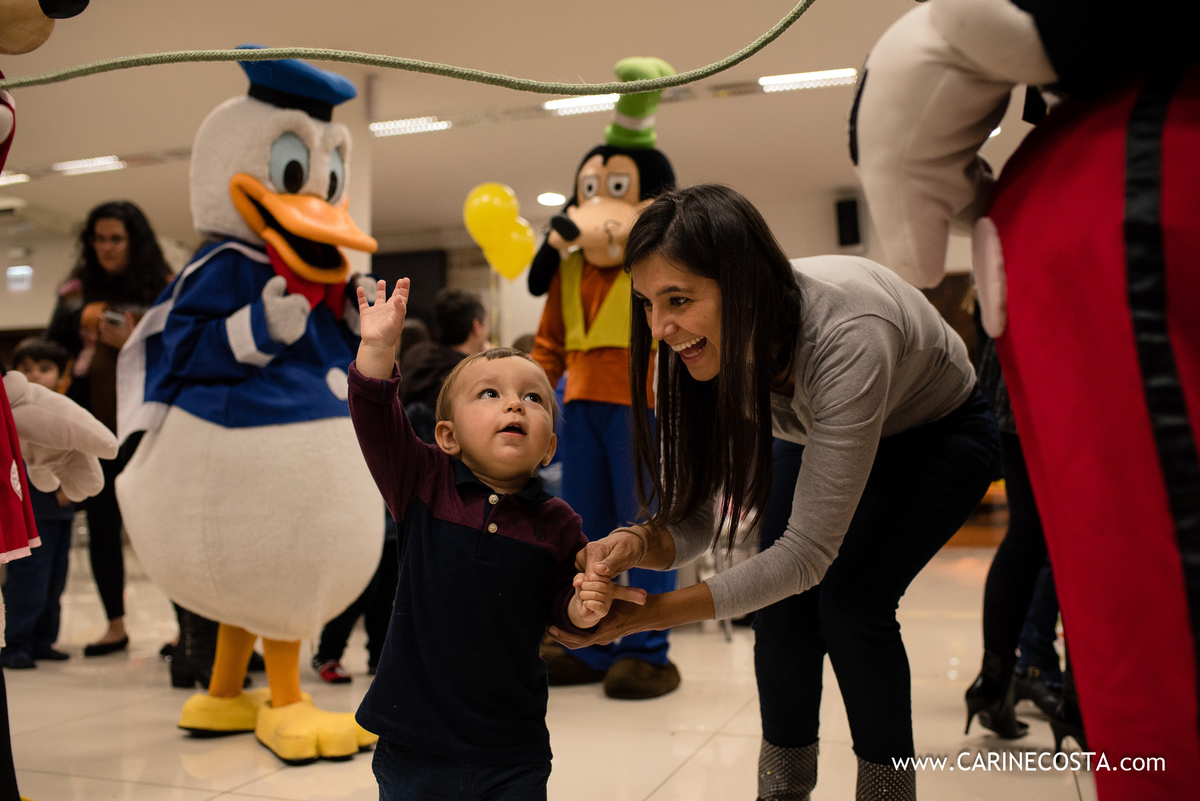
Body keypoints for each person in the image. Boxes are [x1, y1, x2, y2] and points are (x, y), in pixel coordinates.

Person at [549, 185, 1001, 800]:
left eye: (678, 299)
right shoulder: (694, 350)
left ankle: (886, 794)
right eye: (648, 304)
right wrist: (634, 543)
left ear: (742, 284)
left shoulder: (848, 332)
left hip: (937, 431)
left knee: (851, 605)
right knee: (783, 613)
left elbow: (807, 554)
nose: (660, 327)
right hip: (814, 426)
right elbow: (702, 514)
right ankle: (782, 789)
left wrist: (650, 616)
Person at [349, 277, 638, 800]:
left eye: (533, 396)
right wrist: (376, 348)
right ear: (448, 436)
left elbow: (559, 610)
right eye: (490, 393)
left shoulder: (560, 523)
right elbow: (374, 415)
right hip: (415, 741)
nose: (515, 405)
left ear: (549, 446)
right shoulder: (421, 482)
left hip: (512, 747)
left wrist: (583, 608)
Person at [46, 200, 172, 657]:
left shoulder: (164, 287)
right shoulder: (75, 293)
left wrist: (133, 338)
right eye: (98, 238)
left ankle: (185, 627)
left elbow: (181, 346)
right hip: (93, 426)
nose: (105, 247)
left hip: (148, 427)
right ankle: (114, 626)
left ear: (134, 241)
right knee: (102, 524)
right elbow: (51, 351)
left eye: (115, 238)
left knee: (157, 527)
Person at [0, 338, 75, 670]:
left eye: (44, 369)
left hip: (61, 508)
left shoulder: (64, 408)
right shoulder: (15, 410)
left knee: (56, 578)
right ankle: (17, 641)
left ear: (62, 376)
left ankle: (44, 638)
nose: (33, 376)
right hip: (32, 508)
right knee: (28, 577)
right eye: (25, 368)